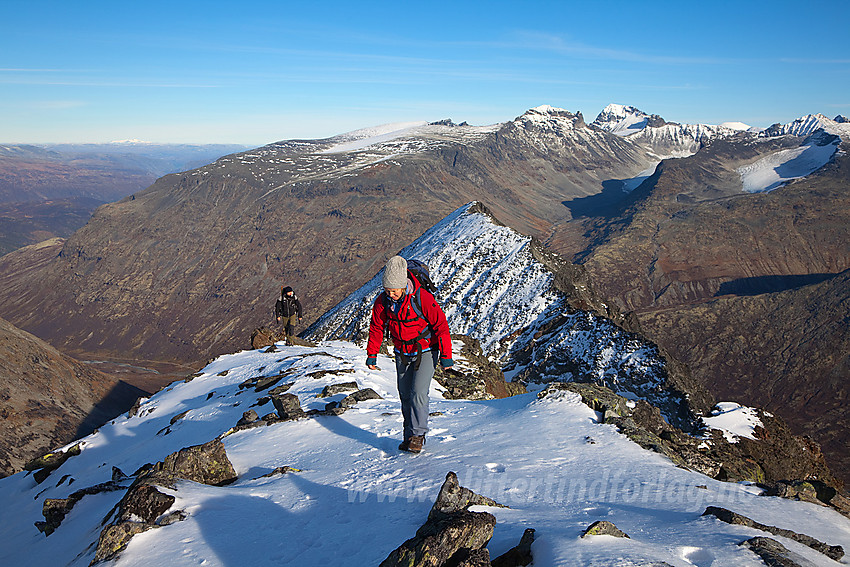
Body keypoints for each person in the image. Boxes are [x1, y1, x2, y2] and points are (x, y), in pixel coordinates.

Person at [366, 256, 453, 453]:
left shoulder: (422, 298)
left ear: (403, 285)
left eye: (394, 291)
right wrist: (372, 354)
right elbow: (376, 327)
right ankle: (408, 436)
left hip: (426, 350)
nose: (391, 295)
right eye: (387, 291)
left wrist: (446, 356)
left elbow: (441, 327)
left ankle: (418, 435)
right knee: (405, 395)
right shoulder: (383, 302)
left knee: (418, 394)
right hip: (401, 352)